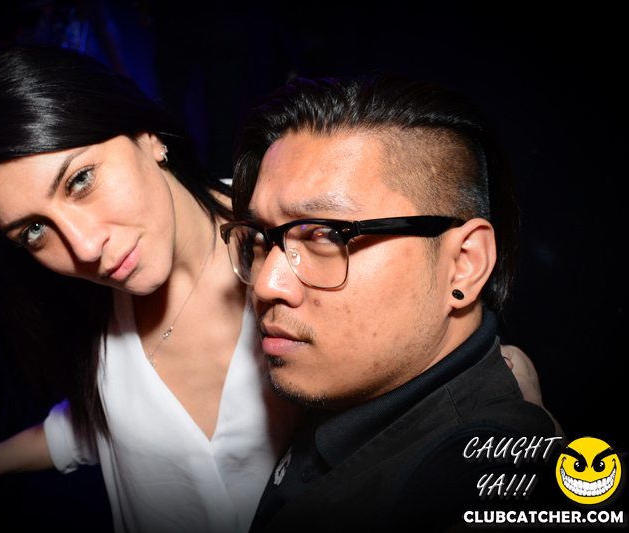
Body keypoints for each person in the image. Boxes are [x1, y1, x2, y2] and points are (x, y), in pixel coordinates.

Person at [0, 46, 551, 533]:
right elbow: (98, 423)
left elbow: (430, 403)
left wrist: (500, 400)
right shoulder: (96, 300)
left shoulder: (300, 265)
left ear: (148, 138)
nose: (83, 246)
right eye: (33, 231)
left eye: (80, 181)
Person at [221, 74, 561, 532]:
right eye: (263, 239)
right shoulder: (354, 383)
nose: (266, 284)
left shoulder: (482, 483)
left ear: (464, 263)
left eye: (325, 235)